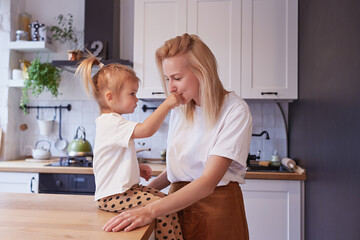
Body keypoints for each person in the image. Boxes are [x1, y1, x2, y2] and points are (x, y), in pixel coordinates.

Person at [103, 33, 252, 240]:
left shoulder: (234, 110)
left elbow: (207, 181)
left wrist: (149, 210)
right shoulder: (181, 108)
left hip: (216, 210)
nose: (171, 87)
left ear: (202, 72)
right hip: (174, 207)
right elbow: (181, 170)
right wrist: (138, 197)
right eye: (167, 79)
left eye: (177, 78)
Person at [75, 52, 183, 240]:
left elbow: (114, 158)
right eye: (132, 93)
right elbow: (146, 130)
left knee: (166, 203)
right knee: (163, 208)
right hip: (113, 196)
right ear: (110, 97)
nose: (136, 99)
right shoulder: (112, 122)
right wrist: (166, 105)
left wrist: (135, 168)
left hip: (123, 191)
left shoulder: (112, 122)